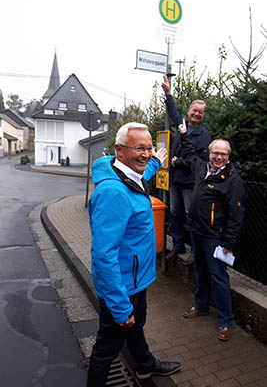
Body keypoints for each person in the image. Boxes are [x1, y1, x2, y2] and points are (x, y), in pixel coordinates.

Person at [87, 122, 181, 386]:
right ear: (119, 150)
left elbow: (141, 176)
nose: (147, 153)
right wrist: (119, 305)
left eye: (150, 148)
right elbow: (104, 256)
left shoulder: (127, 177)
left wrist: (155, 161)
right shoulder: (113, 193)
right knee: (107, 349)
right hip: (122, 287)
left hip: (135, 279)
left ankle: (144, 366)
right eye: (140, 148)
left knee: (136, 326)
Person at [178, 119, 245, 341]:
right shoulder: (201, 167)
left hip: (215, 237)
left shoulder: (232, 180)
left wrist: (228, 244)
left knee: (218, 277)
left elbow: (236, 216)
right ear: (209, 153)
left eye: (223, 154)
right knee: (200, 271)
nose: (218, 157)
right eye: (215, 153)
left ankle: (225, 322)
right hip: (196, 231)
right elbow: (187, 149)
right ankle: (201, 306)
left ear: (228, 156)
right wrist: (184, 132)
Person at [162, 75, 211, 265]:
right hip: (176, 181)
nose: (197, 114)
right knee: (176, 215)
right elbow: (173, 112)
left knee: (192, 217)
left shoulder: (203, 135)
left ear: (203, 115)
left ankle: (195, 252)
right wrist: (168, 94)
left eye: (200, 112)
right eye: (194, 110)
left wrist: (179, 162)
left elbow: (200, 160)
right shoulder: (181, 124)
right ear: (189, 111)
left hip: (190, 183)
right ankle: (177, 246)